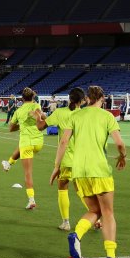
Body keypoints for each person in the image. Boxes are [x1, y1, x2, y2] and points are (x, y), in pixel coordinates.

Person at [51, 85, 127, 258]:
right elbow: (119, 144)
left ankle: (76, 235)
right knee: (107, 212)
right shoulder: (107, 116)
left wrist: (56, 167)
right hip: (99, 170)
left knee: (95, 210)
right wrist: (123, 156)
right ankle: (111, 256)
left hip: (78, 171)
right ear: (102, 98)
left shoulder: (75, 116)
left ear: (87, 99)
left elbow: (63, 141)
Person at [36, 87, 86, 230]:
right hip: (83, 159)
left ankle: (66, 222)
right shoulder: (84, 114)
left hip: (66, 159)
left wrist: (38, 116)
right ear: (82, 101)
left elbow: (40, 126)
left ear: (69, 99)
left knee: (63, 188)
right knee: (82, 190)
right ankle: (96, 217)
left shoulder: (60, 112)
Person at [2, 87, 44, 210]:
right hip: (39, 142)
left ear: (22, 98)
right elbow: (41, 117)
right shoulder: (36, 105)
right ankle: (9, 163)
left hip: (26, 143)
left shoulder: (18, 111)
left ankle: (31, 200)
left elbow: (10, 128)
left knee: (28, 173)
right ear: (33, 97)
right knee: (22, 147)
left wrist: (21, 126)